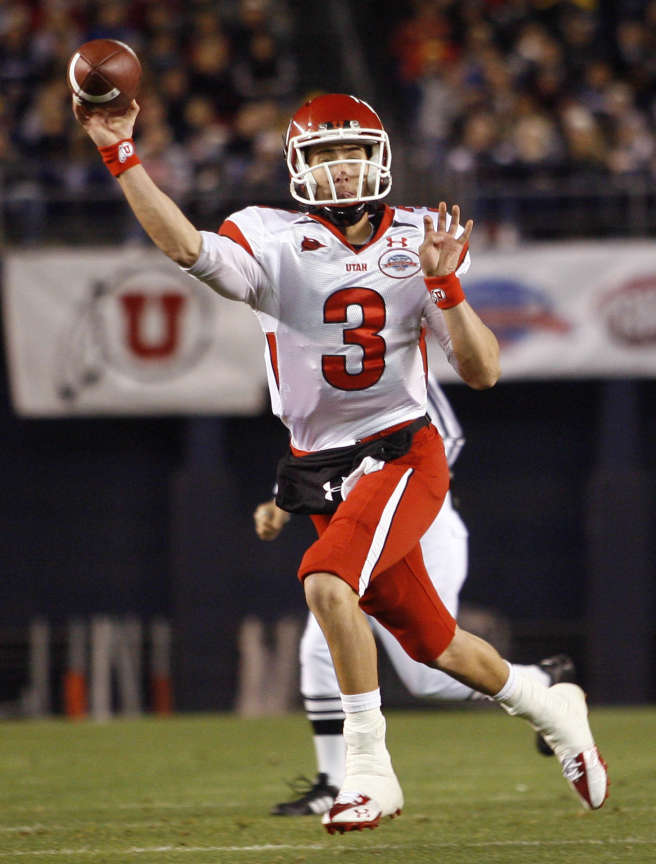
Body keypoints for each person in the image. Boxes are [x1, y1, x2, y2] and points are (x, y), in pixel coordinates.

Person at [73, 90, 608, 833]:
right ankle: (552, 707)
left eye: (353, 152)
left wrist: (445, 285)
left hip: (402, 451)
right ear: (298, 167)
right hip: (322, 469)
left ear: (379, 158)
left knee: (326, 583)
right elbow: (185, 247)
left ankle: (366, 772)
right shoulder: (267, 236)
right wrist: (120, 154)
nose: (342, 168)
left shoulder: (420, 236)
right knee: (436, 648)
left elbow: (482, 370)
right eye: (325, 155)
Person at [254, 373, 576, 816]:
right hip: (358, 518)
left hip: (418, 521)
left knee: (429, 671)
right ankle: (334, 780)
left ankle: (541, 682)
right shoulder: (314, 361)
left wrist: (383, 482)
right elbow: (320, 446)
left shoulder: (391, 358)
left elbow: (446, 437)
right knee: (319, 647)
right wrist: (283, 500)